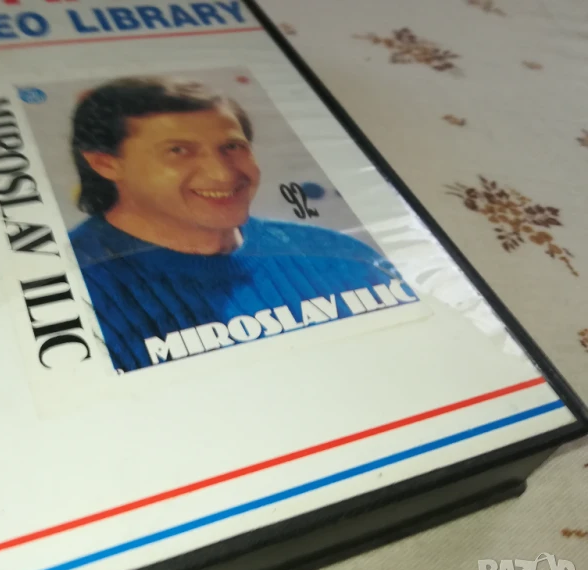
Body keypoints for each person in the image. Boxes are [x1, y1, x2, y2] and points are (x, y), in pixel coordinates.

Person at [67, 76, 410, 372]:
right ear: (105, 164)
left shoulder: (340, 255)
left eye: (232, 146)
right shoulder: (72, 294)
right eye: (178, 151)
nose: (222, 173)